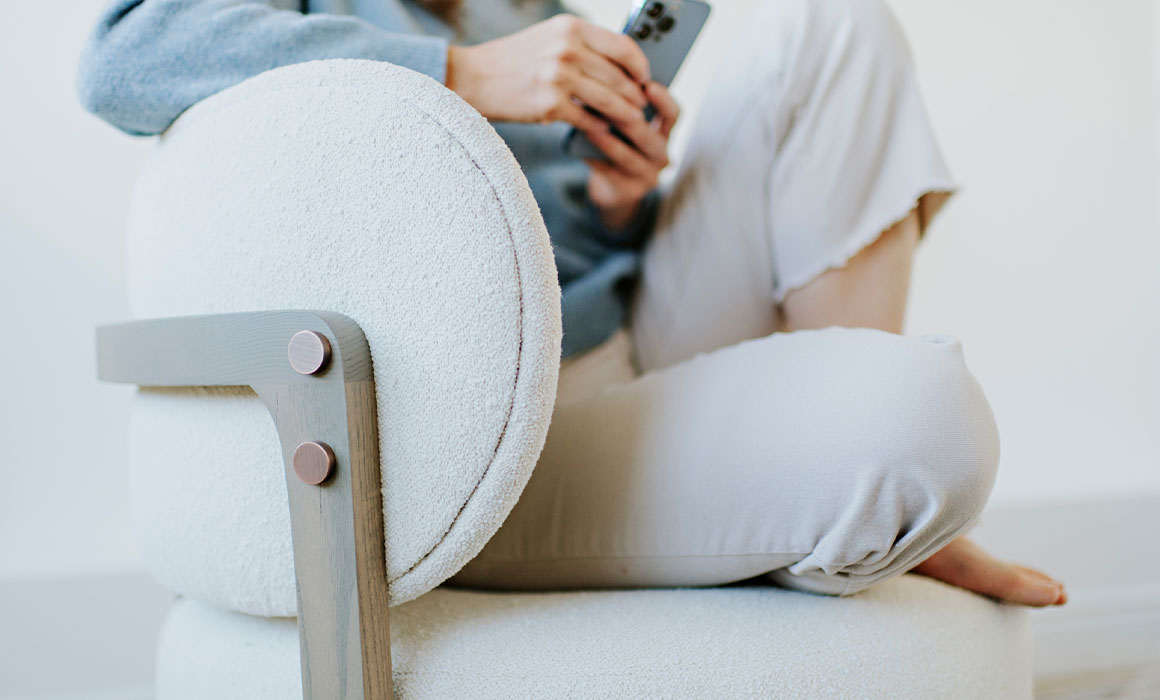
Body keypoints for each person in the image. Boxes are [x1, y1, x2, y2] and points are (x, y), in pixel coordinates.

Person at [78, 0, 1066, 607]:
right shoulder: (330, 18)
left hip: (633, 337)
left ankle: (836, 457)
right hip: (499, 431)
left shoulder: (531, 16)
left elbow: (577, 245)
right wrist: (463, 75)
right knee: (924, 421)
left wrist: (619, 199)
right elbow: (124, 58)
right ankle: (844, 473)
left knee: (833, 26)